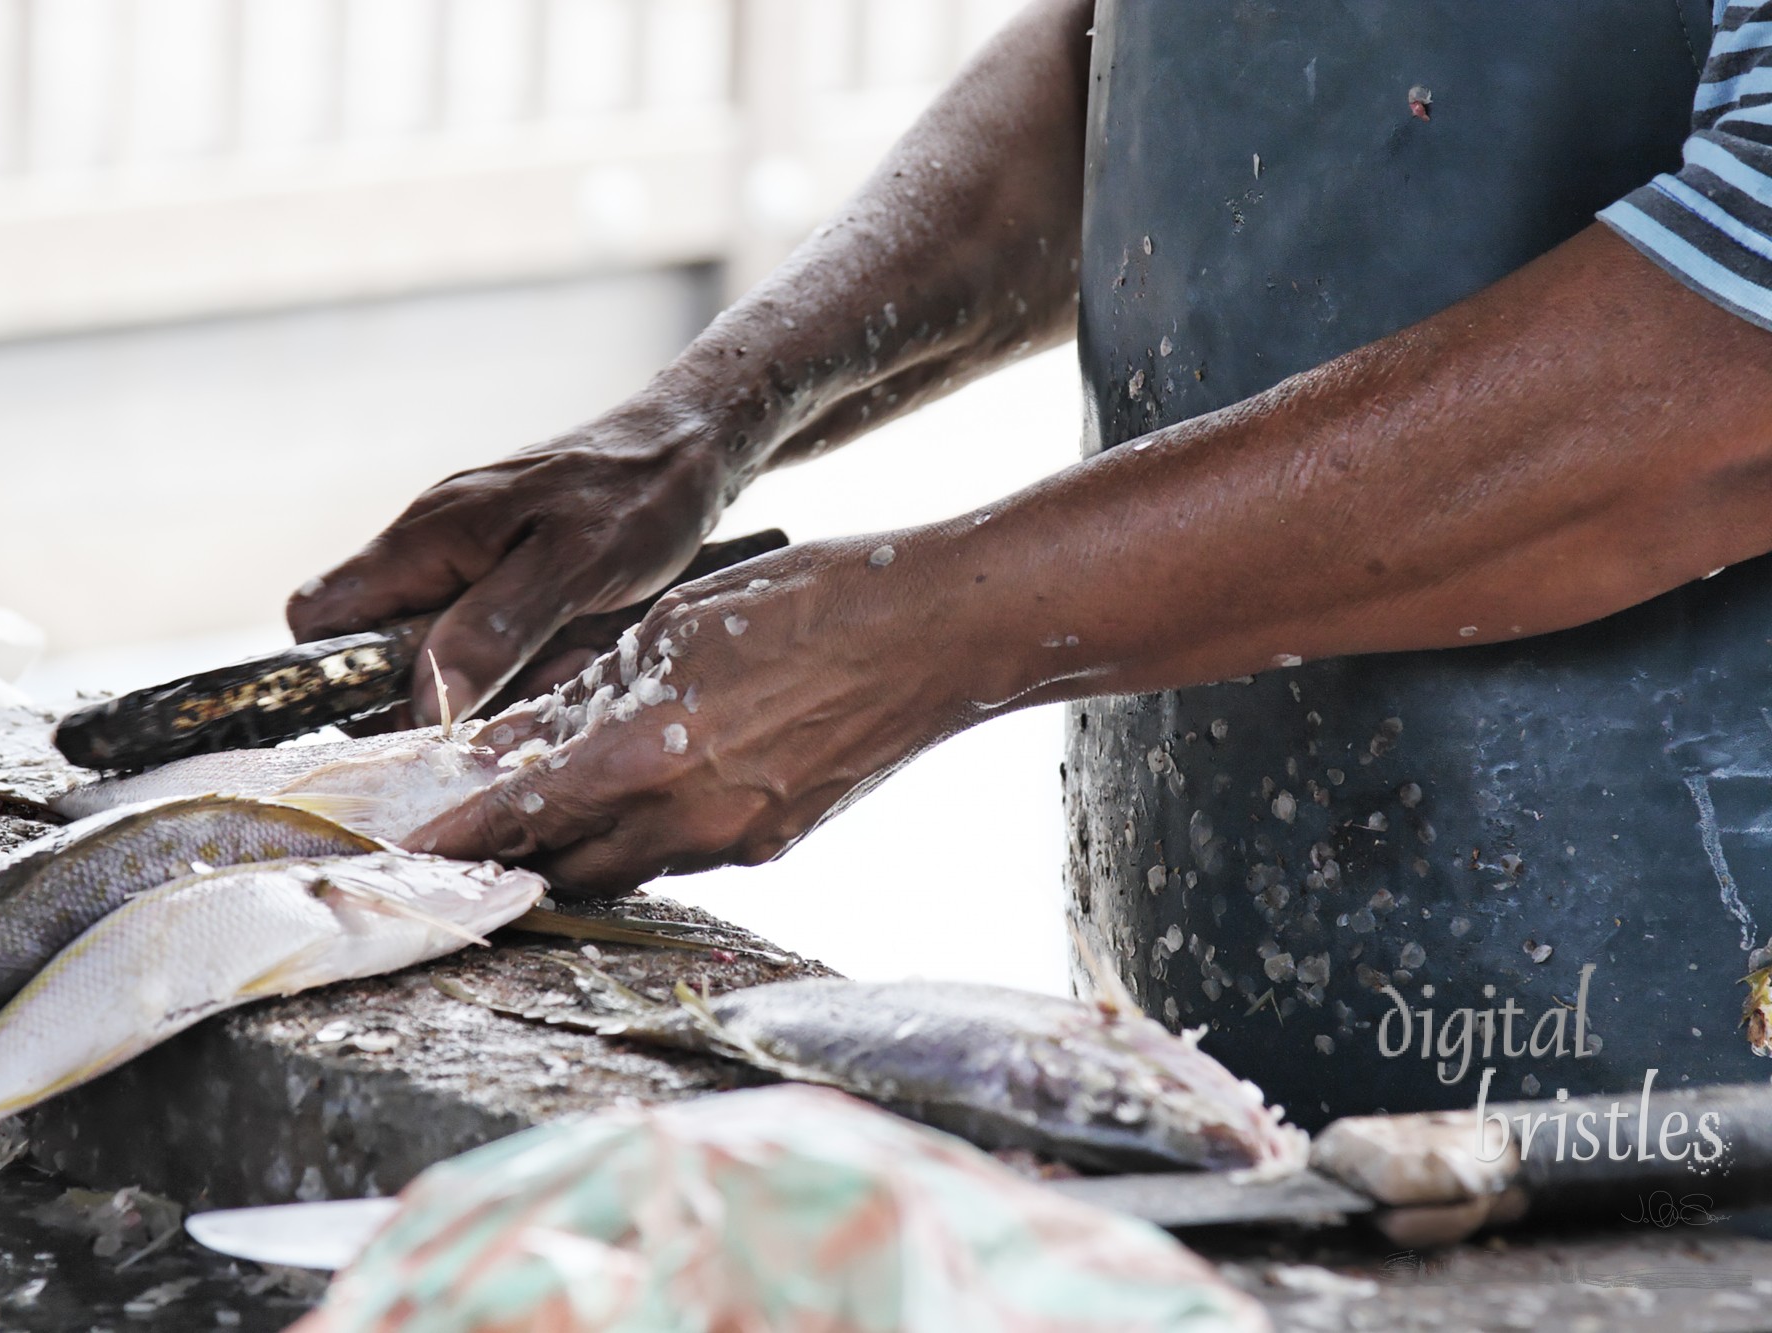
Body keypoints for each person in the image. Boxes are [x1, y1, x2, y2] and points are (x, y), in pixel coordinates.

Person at [291, 2, 1772, 1118]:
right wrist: (718, 411)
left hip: (1693, 1050)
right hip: (1223, 983)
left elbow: (1734, 363)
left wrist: (916, 634)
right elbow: (1154, 63)